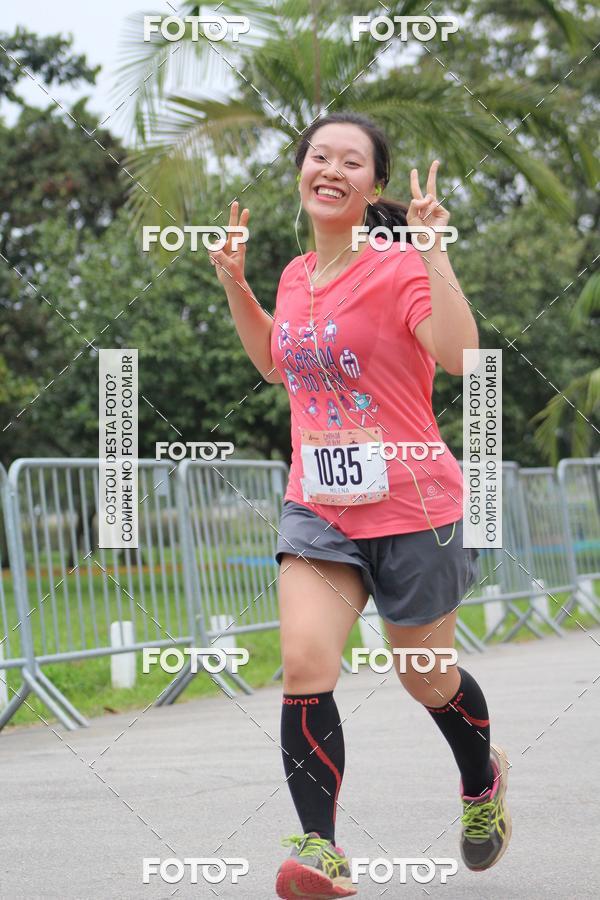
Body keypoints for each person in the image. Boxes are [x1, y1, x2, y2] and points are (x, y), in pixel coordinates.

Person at [207, 111, 511, 900]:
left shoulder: (399, 265)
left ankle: (481, 782)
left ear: (375, 181)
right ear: (302, 173)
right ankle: (321, 850)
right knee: (306, 662)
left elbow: (460, 356)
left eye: (351, 160)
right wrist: (237, 285)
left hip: (416, 507)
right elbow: (277, 366)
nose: (331, 168)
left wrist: (435, 253)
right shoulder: (297, 274)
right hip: (320, 506)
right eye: (319, 156)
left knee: (424, 676)